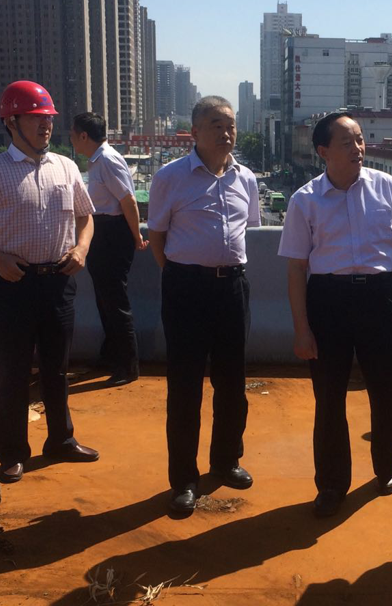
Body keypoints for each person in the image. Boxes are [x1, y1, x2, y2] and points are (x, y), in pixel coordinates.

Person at [0, 81, 100, 483]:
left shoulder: (65, 167)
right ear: (11, 122)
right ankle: (13, 452)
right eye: (35, 118)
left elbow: (85, 216)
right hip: (14, 283)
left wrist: (82, 248)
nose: (45, 125)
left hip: (59, 281)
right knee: (14, 371)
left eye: (48, 118)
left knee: (57, 368)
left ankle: (61, 440)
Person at [278, 112, 392, 518]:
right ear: (323, 151)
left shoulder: (387, 187)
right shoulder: (304, 200)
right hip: (329, 300)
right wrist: (302, 329)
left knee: (388, 388)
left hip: (380, 297)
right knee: (329, 397)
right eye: (347, 142)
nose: (358, 148)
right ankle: (332, 484)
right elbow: (296, 269)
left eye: (360, 139)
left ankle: (387, 467)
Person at [147, 96, 261, 513]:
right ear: (194, 132)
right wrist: (181, 275)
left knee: (232, 382)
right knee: (185, 386)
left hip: (232, 288)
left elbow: (250, 228)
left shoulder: (246, 178)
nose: (226, 132)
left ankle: (226, 460)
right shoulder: (170, 177)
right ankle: (184, 479)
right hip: (186, 290)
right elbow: (157, 237)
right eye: (216, 124)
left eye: (230, 125)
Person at [70, 112, 149, 386]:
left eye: (73, 135)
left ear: (84, 136)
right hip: (102, 231)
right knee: (105, 300)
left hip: (113, 234)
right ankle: (111, 355)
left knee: (115, 301)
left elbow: (129, 201)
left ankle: (128, 366)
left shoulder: (107, 160)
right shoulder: (97, 161)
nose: (71, 140)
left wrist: (136, 235)